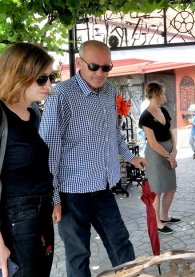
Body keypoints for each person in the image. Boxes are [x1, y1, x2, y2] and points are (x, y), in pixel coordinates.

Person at [39, 40, 147, 277]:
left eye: (106, 67)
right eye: (94, 66)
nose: (100, 73)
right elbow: (49, 149)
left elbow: (113, 132)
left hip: (102, 185)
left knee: (121, 242)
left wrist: (130, 157)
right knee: (79, 254)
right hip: (71, 192)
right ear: (79, 63)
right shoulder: (61, 94)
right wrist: (53, 196)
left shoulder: (110, 90)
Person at [0, 43, 55, 277]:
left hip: (41, 211)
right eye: (41, 79)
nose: (49, 85)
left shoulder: (33, 114)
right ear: (20, 75)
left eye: (50, 77)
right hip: (17, 216)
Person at [139, 82, 179, 234]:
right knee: (157, 190)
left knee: (171, 187)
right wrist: (170, 157)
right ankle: (157, 222)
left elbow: (170, 133)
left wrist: (174, 149)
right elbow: (154, 144)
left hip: (169, 153)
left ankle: (164, 216)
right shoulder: (145, 117)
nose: (165, 96)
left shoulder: (164, 111)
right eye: (163, 93)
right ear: (156, 94)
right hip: (156, 156)